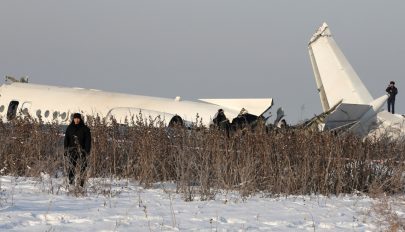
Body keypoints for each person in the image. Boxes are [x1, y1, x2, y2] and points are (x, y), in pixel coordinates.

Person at [64, 113, 91, 187]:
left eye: (78, 118)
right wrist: (65, 150)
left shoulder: (85, 128)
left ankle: (81, 183)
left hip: (82, 151)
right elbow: (66, 139)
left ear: (80, 119)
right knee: (71, 167)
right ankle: (71, 182)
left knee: (83, 166)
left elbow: (88, 141)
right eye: (75, 118)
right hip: (72, 150)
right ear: (73, 119)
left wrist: (87, 151)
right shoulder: (70, 128)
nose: (76, 120)